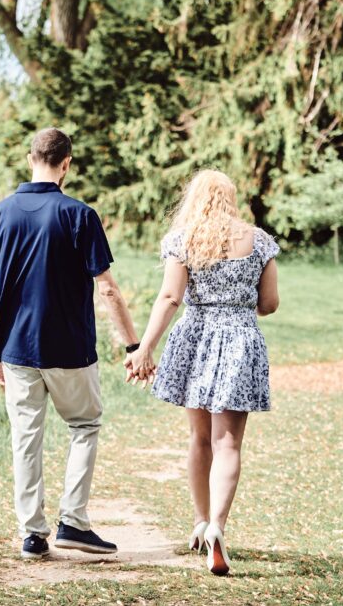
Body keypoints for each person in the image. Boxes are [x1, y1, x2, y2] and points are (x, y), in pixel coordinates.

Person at [0, 128, 143, 561]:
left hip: (16, 348)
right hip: (70, 348)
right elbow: (108, 289)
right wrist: (133, 345)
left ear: (30, 159)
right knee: (84, 426)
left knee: (25, 438)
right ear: (66, 163)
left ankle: (32, 535)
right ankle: (73, 522)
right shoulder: (80, 215)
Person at [125, 169, 280, 576]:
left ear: (193, 200)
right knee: (228, 443)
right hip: (240, 339)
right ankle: (217, 528)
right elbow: (269, 303)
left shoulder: (183, 240)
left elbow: (170, 297)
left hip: (195, 339)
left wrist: (144, 347)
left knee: (199, 438)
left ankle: (199, 520)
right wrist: (239, 301)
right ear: (231, 198)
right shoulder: (260, 241)